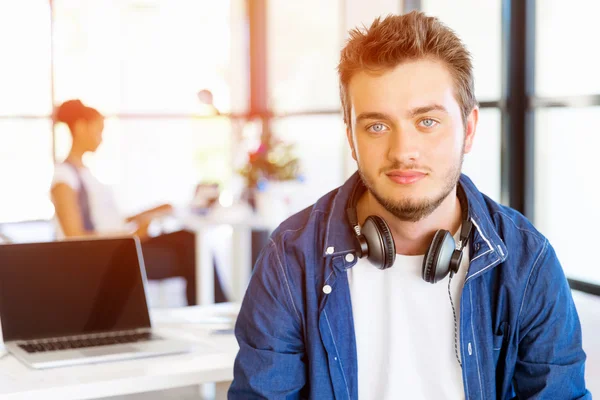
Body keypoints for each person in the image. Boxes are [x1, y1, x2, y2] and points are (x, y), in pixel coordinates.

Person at [229, 11, 590, 399]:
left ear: (468, 130)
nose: (403, 152)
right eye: (377, 126)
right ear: (351, 138)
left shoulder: (528, 261)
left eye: (427, 122)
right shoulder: (292, 257)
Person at [50, 99, 226, 306]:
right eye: (99, 131)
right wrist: (131, 235)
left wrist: (150, 213)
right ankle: (213, 310)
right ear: (80, 128)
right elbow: (74, 237)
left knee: (190, 239)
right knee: (192, 253)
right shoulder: (64, 178)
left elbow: (108, 220)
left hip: (123, 240)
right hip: (109, 253)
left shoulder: (85, 172)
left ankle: (215, 308)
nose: (101, 138)